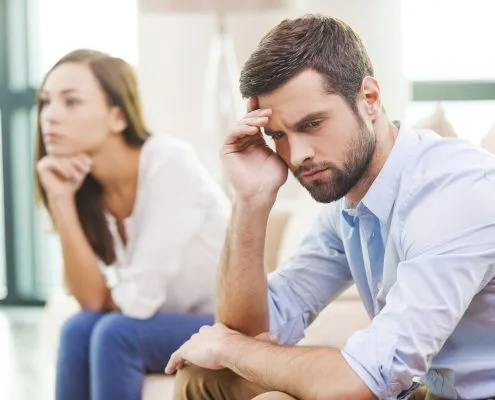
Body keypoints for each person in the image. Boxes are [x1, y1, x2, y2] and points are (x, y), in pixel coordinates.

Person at [165, 15, 495, 400]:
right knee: (206, 377)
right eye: (278, 135)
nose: (297, 155)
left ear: (369, 98)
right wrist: (250, 201)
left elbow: (361, 383)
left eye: (312, 124)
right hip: (428, 391)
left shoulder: (453, 193)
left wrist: (229, 347)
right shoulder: (348, 205)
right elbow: (251, 332)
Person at [34, 49, 230, 400]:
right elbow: (91, 300)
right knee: (77, 328)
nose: (50, 116)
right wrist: (61, 200)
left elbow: (138, 302)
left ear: (117, 116)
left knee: (116, 334)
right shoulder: (89, 186)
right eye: (46, 102)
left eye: (71, 101)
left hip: (229, 321)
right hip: (166, 318)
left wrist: (114, 296)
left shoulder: (170, 162)